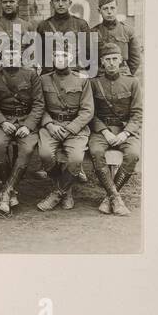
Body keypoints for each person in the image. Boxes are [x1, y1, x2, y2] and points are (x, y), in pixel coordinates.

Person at [0, 34, 45, 215]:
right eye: (7, 54)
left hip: (26, 121)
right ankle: (10, 190)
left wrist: (28, 125)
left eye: (15, 54)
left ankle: (6, 192)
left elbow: (38, 103)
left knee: (27, 149)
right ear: (1, 57)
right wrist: (2, 123)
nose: (11, 57)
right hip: (5, 120)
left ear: (21, 56)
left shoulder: (31, 75)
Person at [35, 41, 95, 211]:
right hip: (51, 126)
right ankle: (66, 191)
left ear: (71, 57)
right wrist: (49, 125)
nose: (60, 59)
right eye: (56, 55)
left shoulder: (82, 80)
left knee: (76, 159)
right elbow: (40, 106)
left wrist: (70, 129)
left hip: (75, 127)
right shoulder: (43, 79)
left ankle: (58, 193)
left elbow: (87, 111)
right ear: (52, 58)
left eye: (64, 55)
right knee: (45, 154)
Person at [88, 41, 142, 215]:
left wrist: (126, 133)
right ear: (102, 62)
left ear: (120, 60)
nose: (111, 62)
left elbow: (138, 113)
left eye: (114, 59)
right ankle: (116, 199)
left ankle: (109, 197)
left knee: (133, 154)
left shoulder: (132, 82)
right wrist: (104, 131)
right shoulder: (94, 83)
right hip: (101, 130)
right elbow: (91, 113)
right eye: (107, 59)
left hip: (125, 130)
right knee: (96, 152)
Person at [36, 0, 92, 76]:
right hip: (51, 74)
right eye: (57, 1)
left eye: (64, 0)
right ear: (51, 4)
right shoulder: (43, 26)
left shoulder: (80, 24)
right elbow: (39, 53)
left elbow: (88, 51)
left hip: (74, 73)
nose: (61, 4)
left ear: (70, 3)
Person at [91, 0, 143, 78]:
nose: (109, 12)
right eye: (105, 8)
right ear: (99, 11)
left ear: (117, 9)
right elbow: (88, 58)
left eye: (112, 8)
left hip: (123, 74)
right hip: (101, 76)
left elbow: (135, 59)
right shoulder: (93, 32)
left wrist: (127, 76)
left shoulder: (128, 31)